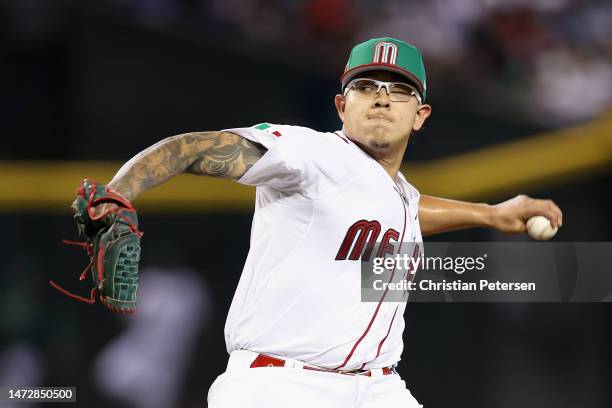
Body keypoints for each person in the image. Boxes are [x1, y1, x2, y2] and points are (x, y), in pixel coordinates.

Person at [96, 37, 562, 407]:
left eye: (398, 90)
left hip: (379, 389)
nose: (381, 99)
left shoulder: (395, 194)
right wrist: (120, 193)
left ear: (419, 116)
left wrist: (490, 213)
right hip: (282, 386)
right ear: (342, 106)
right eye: (366, 87)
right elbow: (194, 147)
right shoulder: (309, 154)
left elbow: (408, 210)